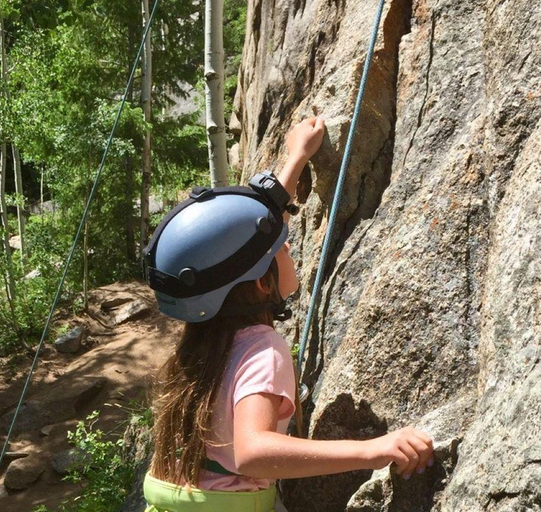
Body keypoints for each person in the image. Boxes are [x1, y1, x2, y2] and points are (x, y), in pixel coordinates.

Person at [141, 117, 434, 511]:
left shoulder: (202, 337)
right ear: (261, 283)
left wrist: (296, 157)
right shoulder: (263, 351)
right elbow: (253, 451)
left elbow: (248, 239)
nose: (289, 246)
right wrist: (373, 450)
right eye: (281, 248)